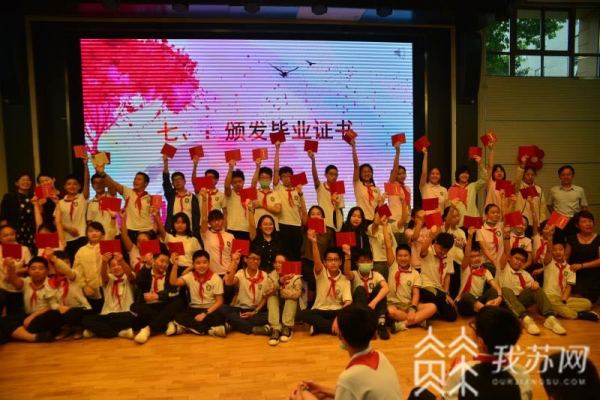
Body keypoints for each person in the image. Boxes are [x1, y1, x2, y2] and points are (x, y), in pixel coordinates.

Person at [410, 306, 531, 400]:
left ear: (481, 341)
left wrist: (445, 384)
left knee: (417, 394)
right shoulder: (522, 373)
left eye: (474, 327)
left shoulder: (463, 371)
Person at [290, 304, 403, 400]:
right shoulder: (381, 357)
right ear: (374, 335)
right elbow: (356, 392)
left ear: (340, 336)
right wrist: (321, 389)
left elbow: (350, 387)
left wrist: (302, 394)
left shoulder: (349, 378)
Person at [496, 226, 566, 336]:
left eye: (522, 260)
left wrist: (536, 284)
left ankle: (550, 318)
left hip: (519, 301)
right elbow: (506, 251)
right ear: (510, 258)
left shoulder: (525, 274)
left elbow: (533, 286)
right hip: (504, 303)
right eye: (516, 258)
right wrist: (506, 236)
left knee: (536, 288)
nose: (519, 262)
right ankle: (525, 320)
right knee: (505, 289)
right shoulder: (503, 268)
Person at [538, 225, 598, 321]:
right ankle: (579, 315)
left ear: (564, 250)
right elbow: (548, 251)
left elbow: (569, 286)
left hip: (561, 298)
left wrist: (564, 300)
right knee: (550, 302)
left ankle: (557, 310)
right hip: (549, 297)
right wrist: (550, 238)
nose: (558, 252)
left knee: (587, 303)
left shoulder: (570, 268)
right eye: (555, 250)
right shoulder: (549, 263)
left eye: (560, 249)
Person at [298, 231, 352, 336]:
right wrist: (314, 242)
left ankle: (318, 326)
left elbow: (348, 302)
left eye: (336, 260)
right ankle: (334, 328)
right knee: (303, 314)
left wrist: (338, 318)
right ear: (325, 262)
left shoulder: (345, 279)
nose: (333, 262)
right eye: (330, 260)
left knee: (351, 315)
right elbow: (317, 261)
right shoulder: (321, 273)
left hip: (336, 311)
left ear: (340, 262)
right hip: (320, 310)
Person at [1, 256, 62, 343]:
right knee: (4, 320)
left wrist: (32, 316)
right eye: (33, 269)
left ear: (47, 271)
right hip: (28, 317)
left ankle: (19, 333)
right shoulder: (26, 281)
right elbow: (14, 280)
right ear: (28, 271)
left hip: (43, 316)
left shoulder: (52, 283)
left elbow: (52, 306)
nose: (37, 271)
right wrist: (11, 268)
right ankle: (33, 337)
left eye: (41, 268)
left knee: (54, 315)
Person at [131, 249, 186, 343]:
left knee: (179, 302)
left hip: (165, 304)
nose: (164, 264)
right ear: (154, 260)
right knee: (134, 307)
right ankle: (167, 322)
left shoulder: (170, 274)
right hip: (149, 306)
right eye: (161, 261)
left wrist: (158, 296)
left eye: (167, 262)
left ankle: (148, 330)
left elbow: (173, 292)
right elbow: (139, 283)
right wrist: (147, 265)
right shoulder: (146, 272)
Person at [168, 249, 227, 337]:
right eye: (198, 263)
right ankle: (208, 330)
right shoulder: (190, 276)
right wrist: (175, 265)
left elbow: (219, 301)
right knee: (179, 316)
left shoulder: (216, 278)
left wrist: (205, 313)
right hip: (194, 309)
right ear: (193, 264)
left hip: (210, 309)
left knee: (219, 317)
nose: (202, 265)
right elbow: (173, 282)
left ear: (209, 263)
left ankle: (188, 328)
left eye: (204, 262)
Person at [82, 251, 135, 339]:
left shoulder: (128, 277)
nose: (116, 267)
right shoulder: (109, 278)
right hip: (108, 314)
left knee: (130, 318)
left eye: (119, 264)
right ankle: (120, 332)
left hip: (125, 314)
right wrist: (104, 262)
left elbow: (130, 275)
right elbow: (103, 275)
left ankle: (99, 331)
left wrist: (121, 260)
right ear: (109, 269)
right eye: (113, 266)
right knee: (85, 319)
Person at [342, 246, 390, 340]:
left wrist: (373, 303)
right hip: (360, 307)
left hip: (373, 306)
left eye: (368, 261)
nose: (365, 263)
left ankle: (381, 324)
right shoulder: (355, 274)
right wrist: (347, 257)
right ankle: (366, 327)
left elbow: (386, 288)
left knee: (381, 288)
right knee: (360, 289)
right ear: (357, 263)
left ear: (372, 262)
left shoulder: (376, 275)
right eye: (362, 261)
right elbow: (347, 273)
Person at [386, 244, 436, 332]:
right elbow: (388, 246)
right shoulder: (393, 266)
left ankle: (402, 324)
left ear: (410, 257)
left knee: (432, 307)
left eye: (406, 255)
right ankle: (419, 320)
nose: (403, 258)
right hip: (393, 305)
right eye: (400, 256)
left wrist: (412, 309)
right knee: (390, 312)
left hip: (408, 304)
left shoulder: (415, 273)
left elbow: (416, 294)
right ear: (396, 257)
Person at [97, 165, 153, 241]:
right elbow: (113, 184)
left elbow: (155, 215)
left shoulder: (150, 198)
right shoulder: (128, 192)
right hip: (130, 231)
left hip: (147, 231)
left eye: (139, 179)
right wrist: (102, 173)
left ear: (146, 183)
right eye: (135, 179)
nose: (135, 181)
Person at [221, 250, 270, 335]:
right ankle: (253, 329)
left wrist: (254, 312)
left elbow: (265, 298)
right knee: (222, 308)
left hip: (256, 311)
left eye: (258, 259)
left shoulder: (264, 275)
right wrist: (234, 261)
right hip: (240, 309)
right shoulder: (241, 273)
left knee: (270, 315)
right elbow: (228, 282)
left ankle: (234, 324)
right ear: (245, 259)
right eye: (253, 258)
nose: (256, 261)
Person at [456, 228, 502, 316]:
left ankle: (485, 311)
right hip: (466, 303)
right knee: (466, 295)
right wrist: (470, 237)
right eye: (473, 257)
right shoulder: (465, 268)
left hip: (479, 302)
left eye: (478, 256)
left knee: (493, 291)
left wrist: (499, 297)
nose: (476, 259)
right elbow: (467, 254)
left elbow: (495, 286)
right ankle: (487, 312)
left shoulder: (485, 271)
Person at [47, 249, 92, 339]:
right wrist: (58, 307)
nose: (65, 265)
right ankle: (66, 329)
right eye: (61, 263)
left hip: (79, 309)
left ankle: (78, 328)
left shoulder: (73, 275)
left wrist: (54, 259)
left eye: (67, 262)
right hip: (63, 310)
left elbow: (67, 270)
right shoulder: (51, 281)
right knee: (51, 313)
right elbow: (52, 302)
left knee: (74, 313)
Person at [274, 141, 306, 260]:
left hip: (296, 226)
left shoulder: (298, 190)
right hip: (282, 225)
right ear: (280, 178)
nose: (287, 178)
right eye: (284, 176)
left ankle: (296, 273)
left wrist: (300, 193)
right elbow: (276, 170)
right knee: (284, 255)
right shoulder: (278, 188)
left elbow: (302, 210)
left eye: (289, 176)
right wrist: (277, 149)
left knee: (296, 255)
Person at [418, 230, 458, 321]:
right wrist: (430, 237)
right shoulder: (428, 250)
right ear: (435, 243)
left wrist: (446, 293)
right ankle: (425, 308)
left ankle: (433, 310)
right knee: (439, 297)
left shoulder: (449, 256)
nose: (443, 252)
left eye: (446, 250)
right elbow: (422, 252)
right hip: (426, 286)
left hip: (439, 290)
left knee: (452, 316)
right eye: (441, 248)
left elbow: (447, 275)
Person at [263, 253, 302, 345]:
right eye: (276, 262)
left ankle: (287, 328)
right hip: (276, 311)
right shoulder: (271, 276)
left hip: (292, 310)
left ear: (287, 264)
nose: (277, 265)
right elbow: (266, 292)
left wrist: (281, 291)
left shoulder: (295, 275)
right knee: (271, 297)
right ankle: (275, 329)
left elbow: (297, 294)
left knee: (291, 298)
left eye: (280, 262)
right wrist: (279, 282)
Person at [57, 165, 90, 261]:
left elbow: (87, 181)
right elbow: (56, 222)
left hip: (82, 237)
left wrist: (85, 165)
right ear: (64, 187)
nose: (72, 186)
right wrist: (69, 229)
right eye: (69, 184)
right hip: (67, 239)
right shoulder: (60, 202)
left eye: (75, 184)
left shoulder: (82, 198)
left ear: (79, 186)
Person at [162, 154, 200, 238]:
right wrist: (165, 162)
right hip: (172, 232)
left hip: (189, 233)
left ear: (185, 181)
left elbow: (196, 217)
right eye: (174, 180)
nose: (177, 181)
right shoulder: (171, 195)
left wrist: (195, 233)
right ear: (172, 184)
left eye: (179, 179)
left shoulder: (192, 197)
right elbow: (166, 181)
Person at [566, 210, 600, 303]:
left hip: (594, 275)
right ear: (577, 225)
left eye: (590, 221)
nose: (588, 224)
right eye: (584, 221)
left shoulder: (598, 238)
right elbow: (565, 258)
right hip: (576, 275)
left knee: (586, 301)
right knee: (577, 298)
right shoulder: (571, 239)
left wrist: (581, 266)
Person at [449, 144, 488, 224]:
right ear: (458, 175)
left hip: (474, 220)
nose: (465, 175)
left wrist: (480, 164)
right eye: (462, 173)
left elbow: (485, 178)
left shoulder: (473, 186)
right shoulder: (452, 189)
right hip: (459, 223)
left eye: (467, 173)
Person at [0, 224, 33, 315]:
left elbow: (29, 268)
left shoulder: (24, 249)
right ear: (0, 238)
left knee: (14, 315)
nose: (9, 237)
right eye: (5, 235)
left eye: (12, 234)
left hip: (17, 287)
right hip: (1, 287)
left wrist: (14, 273)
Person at [73, 221, 105, 313]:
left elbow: (112, 231)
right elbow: (77, 271)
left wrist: (114, 219)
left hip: (107, 286)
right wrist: (84, 286)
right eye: (90, 231)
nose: (94, 233)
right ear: (86, 234)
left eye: (97, 231)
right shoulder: (81, 251)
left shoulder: (106, 245)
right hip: (91, 290)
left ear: (102, 234)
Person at [308, 151, 344, 232]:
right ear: (325, 175)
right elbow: (315, 178)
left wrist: (341, 223)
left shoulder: (339, 188)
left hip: (337, 224)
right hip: (323, 223)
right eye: (331, 174)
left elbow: (340, 209)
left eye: (336, 175)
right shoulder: (321, 186)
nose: (334, 177)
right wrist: (313, 161)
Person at [0, 173, 35, 251]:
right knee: (15, 253)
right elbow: (3, 216)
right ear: (17, 183)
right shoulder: (9, 197)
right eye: (23, 180)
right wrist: (6, 233)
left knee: (30, 252)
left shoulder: (34, 197)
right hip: (14, 231)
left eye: (28, 180)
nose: (26, 182)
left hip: (30, 231)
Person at [351, 137, 381, 224]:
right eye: (364, 172)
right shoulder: (358, 184)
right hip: (360, 220)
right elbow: (356, 166)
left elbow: (379, 207)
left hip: (373, 221)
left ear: (372, 173)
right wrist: (353, 147)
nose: (366, 173)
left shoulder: (377, 189)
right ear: (360, 174)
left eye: (369, 171)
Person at [250, 158, 282, 230]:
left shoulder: (275, 193)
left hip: (273, 227)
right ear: (258, 179)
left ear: (270, 179)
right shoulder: (255, 192)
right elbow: (253, 184)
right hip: (258, 227)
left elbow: (277, 210)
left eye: (267, 178)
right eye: (262, 178)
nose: (264, 180)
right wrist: (258, 167)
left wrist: (261, 205)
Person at [192, 156, 226, 220]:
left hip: (216, 223)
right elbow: (194, 182)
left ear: (216, 180)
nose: (209, 179)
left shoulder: (221, 195)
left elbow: (225, 212)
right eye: (207, 178)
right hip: (201, 223)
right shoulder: (201, 191)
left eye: (211, 178)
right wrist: (195, 165)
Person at [86, 172, 118, 240]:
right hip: (98, 238)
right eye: (95, 183)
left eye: (101, 182)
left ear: (105, 184)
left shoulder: (111, 196)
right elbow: (89, 222)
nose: (98, 185)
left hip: (113, 235)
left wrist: (102, 172)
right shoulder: (90, 203)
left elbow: (112, 185)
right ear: (92, 185)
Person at [224, 162, 250, 240]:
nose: (237, 184)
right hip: (232, 229)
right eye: (234, 182)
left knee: (244, 249)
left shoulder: (248, 193)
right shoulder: (229, 193)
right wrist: (231, 168)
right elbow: (226, 186)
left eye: (239, 181)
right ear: (231, 184)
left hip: (246, 229)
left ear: (243, 181)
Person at [388, 140, 411, 228]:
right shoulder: (392, 185)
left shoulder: (407, 188)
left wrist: (409, 216)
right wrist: (398, 152)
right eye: (399, 173)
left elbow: (408, 204)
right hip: (393, 219)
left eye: (403, 173)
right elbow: (395, 168)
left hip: (406, 220)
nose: (402, 175)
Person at [419, 146, 447, 214]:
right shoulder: (424, 187)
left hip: (440, 219)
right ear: (428, 176)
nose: (435, 176)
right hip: (427, 219)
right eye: (432, 173)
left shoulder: (444, 190)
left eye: (437, 174)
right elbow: (424, 173)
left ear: (440, 176)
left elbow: (446, 209)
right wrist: (425, 155)